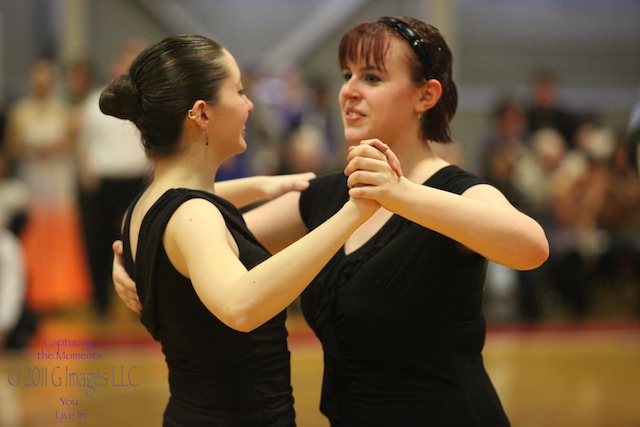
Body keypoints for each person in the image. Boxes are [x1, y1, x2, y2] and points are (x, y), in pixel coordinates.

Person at [113, 18, 549, 426]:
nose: (349, 92)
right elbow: (197, 228)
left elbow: (531, 247)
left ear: (425, 96)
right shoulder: (330, 194)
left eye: (372, 78)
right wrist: (131, 256)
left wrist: (402, 195)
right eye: (347, 76)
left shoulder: (455, 190)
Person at [99, 34, 400, 426]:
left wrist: (260, 186)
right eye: (238, 91)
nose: (249, 103)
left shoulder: (145, 206)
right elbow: (241, 306)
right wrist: (353, 213)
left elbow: (192, 203)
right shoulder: (195, 216)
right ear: (201, 114)